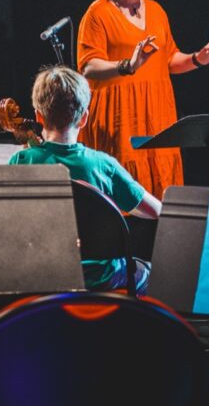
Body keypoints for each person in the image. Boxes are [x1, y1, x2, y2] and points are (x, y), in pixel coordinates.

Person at [76, 0, 209, 198]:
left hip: (157, 115)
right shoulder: (98, 13)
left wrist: (198, 58)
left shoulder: (157, 12)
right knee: (124, 191)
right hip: (120, 117)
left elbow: (169, 60)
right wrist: (127, 65)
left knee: (160, 190)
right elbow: (88, 67)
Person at [9, 66, 161, 294]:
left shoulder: (21, 161)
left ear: (39, 116)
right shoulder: (103, 165)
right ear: (84, 118)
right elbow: (155, 211)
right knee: (154, 272)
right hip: (102, 278)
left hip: (43, 275)